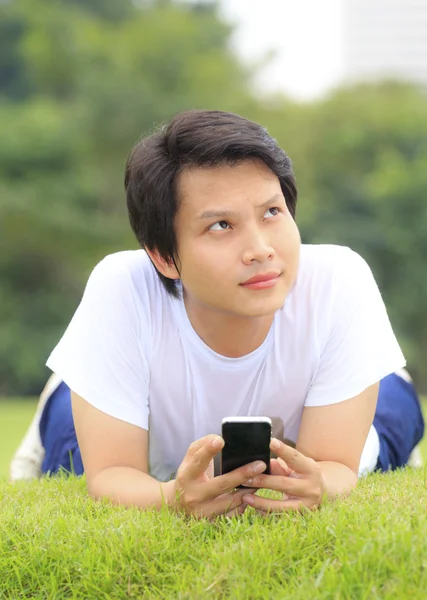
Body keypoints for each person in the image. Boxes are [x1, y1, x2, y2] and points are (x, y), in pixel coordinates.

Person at [10, 110, 424, 519]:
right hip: (140, 420)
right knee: (69, 441)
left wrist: (320, 483)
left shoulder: (339, 279)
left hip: (332, 401)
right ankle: (69, 381)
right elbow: (112, 475)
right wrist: (171, 498)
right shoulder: (122, 286)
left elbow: (333, 467)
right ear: (164, 257)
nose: (261, 249)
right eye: (221, 226)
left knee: (393, 414)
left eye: (272, 212)